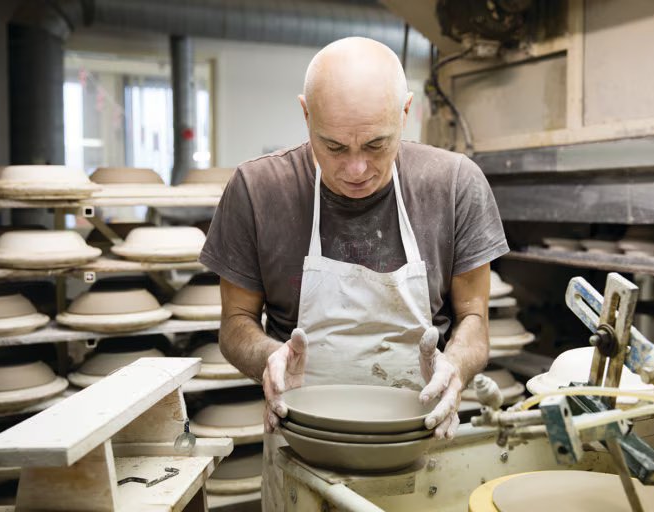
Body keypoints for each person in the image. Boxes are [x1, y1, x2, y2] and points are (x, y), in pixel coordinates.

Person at [200, 36, 509, 511]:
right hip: (301, 451)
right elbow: (235, 322)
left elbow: (475, 321)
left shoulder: (453, 185)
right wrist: (269, 358)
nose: (356, 168)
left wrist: (456, 365)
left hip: (421, 447)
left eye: (376, 144)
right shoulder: (258, 190)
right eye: (334, 146)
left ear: (406, 112)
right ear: (306, 115)